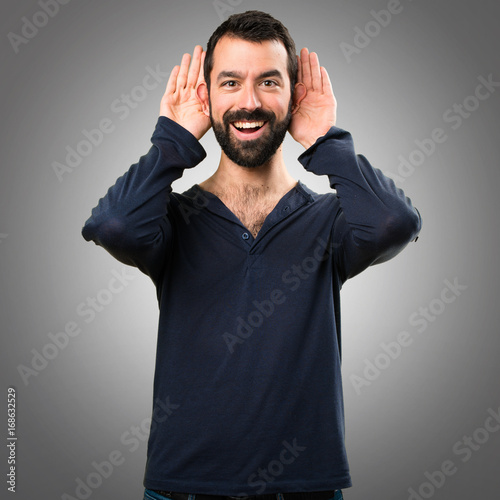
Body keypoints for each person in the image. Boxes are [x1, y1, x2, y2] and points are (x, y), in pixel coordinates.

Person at [82, 10, 421, 500]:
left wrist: (325, 141)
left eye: (268, 81)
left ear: (293, 93)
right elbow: (112, 225)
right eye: (230, 82)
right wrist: (173, 139)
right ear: (207, 95)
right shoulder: (172, 221)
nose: (249, 102)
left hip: (306, 489)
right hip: (183, 489)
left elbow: (395, 222)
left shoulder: (330, 221)